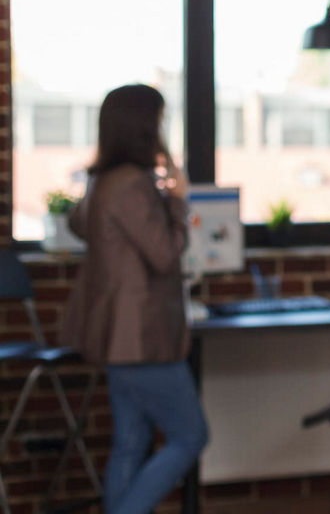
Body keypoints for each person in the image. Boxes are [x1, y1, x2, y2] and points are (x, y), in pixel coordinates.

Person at [63, 84, 208, 514]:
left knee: (131, 441)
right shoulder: (131, 185)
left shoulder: (102, 181)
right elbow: (165, 254)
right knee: (190, 437)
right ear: (145, 125)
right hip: (143, 337)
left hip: (115, 337)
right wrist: (178, 202)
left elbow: (78, 225)